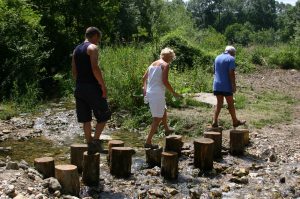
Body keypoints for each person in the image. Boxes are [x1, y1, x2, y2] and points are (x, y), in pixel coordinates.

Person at [72, 27, 111, 154]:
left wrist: (80, 84)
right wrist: (102, 86)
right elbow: (95, 68)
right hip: (92, 87)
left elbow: (74, 71)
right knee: (104, 114)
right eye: (98, 38)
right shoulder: (92, 48)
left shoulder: (76, 50)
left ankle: (89, 143)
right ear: (94, 36)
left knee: (86, 118)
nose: (98, 41)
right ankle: (95, 141)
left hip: (79, 87)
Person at [142, 47, 181, 149]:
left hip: (151, 93)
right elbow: (165, 81)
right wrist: (173, 92)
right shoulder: (165, 65)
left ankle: (167, 129)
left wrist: (145, 89)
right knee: (157, 118)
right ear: (170, 57)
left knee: (163, 109)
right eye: (172, 58)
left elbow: (143, 78)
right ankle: (148, 141)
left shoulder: (152, 64)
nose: (171, 60)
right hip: (157, 94)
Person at [212, 45, 246, 128]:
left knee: (219, 103)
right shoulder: (231, 59)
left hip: (217, 84)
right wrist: (233, 85)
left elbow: (214, 71)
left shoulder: (217, 57)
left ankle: (215, 121)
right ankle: (235, 121)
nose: (234, 55)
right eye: (234, 54)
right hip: (226, 85)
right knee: (230, 104)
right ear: (232, 52)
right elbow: (231, 73)